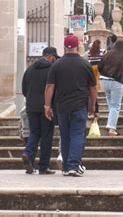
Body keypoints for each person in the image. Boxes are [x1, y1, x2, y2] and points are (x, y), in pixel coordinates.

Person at [44, 35, 97, 177]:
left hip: (61, 106)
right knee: (78, 134)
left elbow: (50, 86)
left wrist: (47, 106)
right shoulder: (85, 64)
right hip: (80, 105)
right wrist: (93, 105)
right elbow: (93, 87)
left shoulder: (57, 65)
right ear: (78, 47)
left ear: (64, 48)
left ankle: (67, 167)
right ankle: (74, 165)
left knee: (65, 135)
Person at [21, 47, 59, 175]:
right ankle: (44, 166)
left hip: (31, 106)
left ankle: (28, 154)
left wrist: (31, 100)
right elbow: (53, 88)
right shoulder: (51, 70)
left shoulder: (30, 69)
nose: (55, 60)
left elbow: (24, 89)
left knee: (34, 132)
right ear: (50, 56)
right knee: (47, 135)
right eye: (54, 57)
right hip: (46, 107)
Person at [98, 40, 123, 136]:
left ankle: (110, 121)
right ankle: (112, 128)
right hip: (117, 81)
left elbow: (99, 66)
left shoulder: (108, 55)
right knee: (116, 106)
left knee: (110, 104)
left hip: (104, 80)